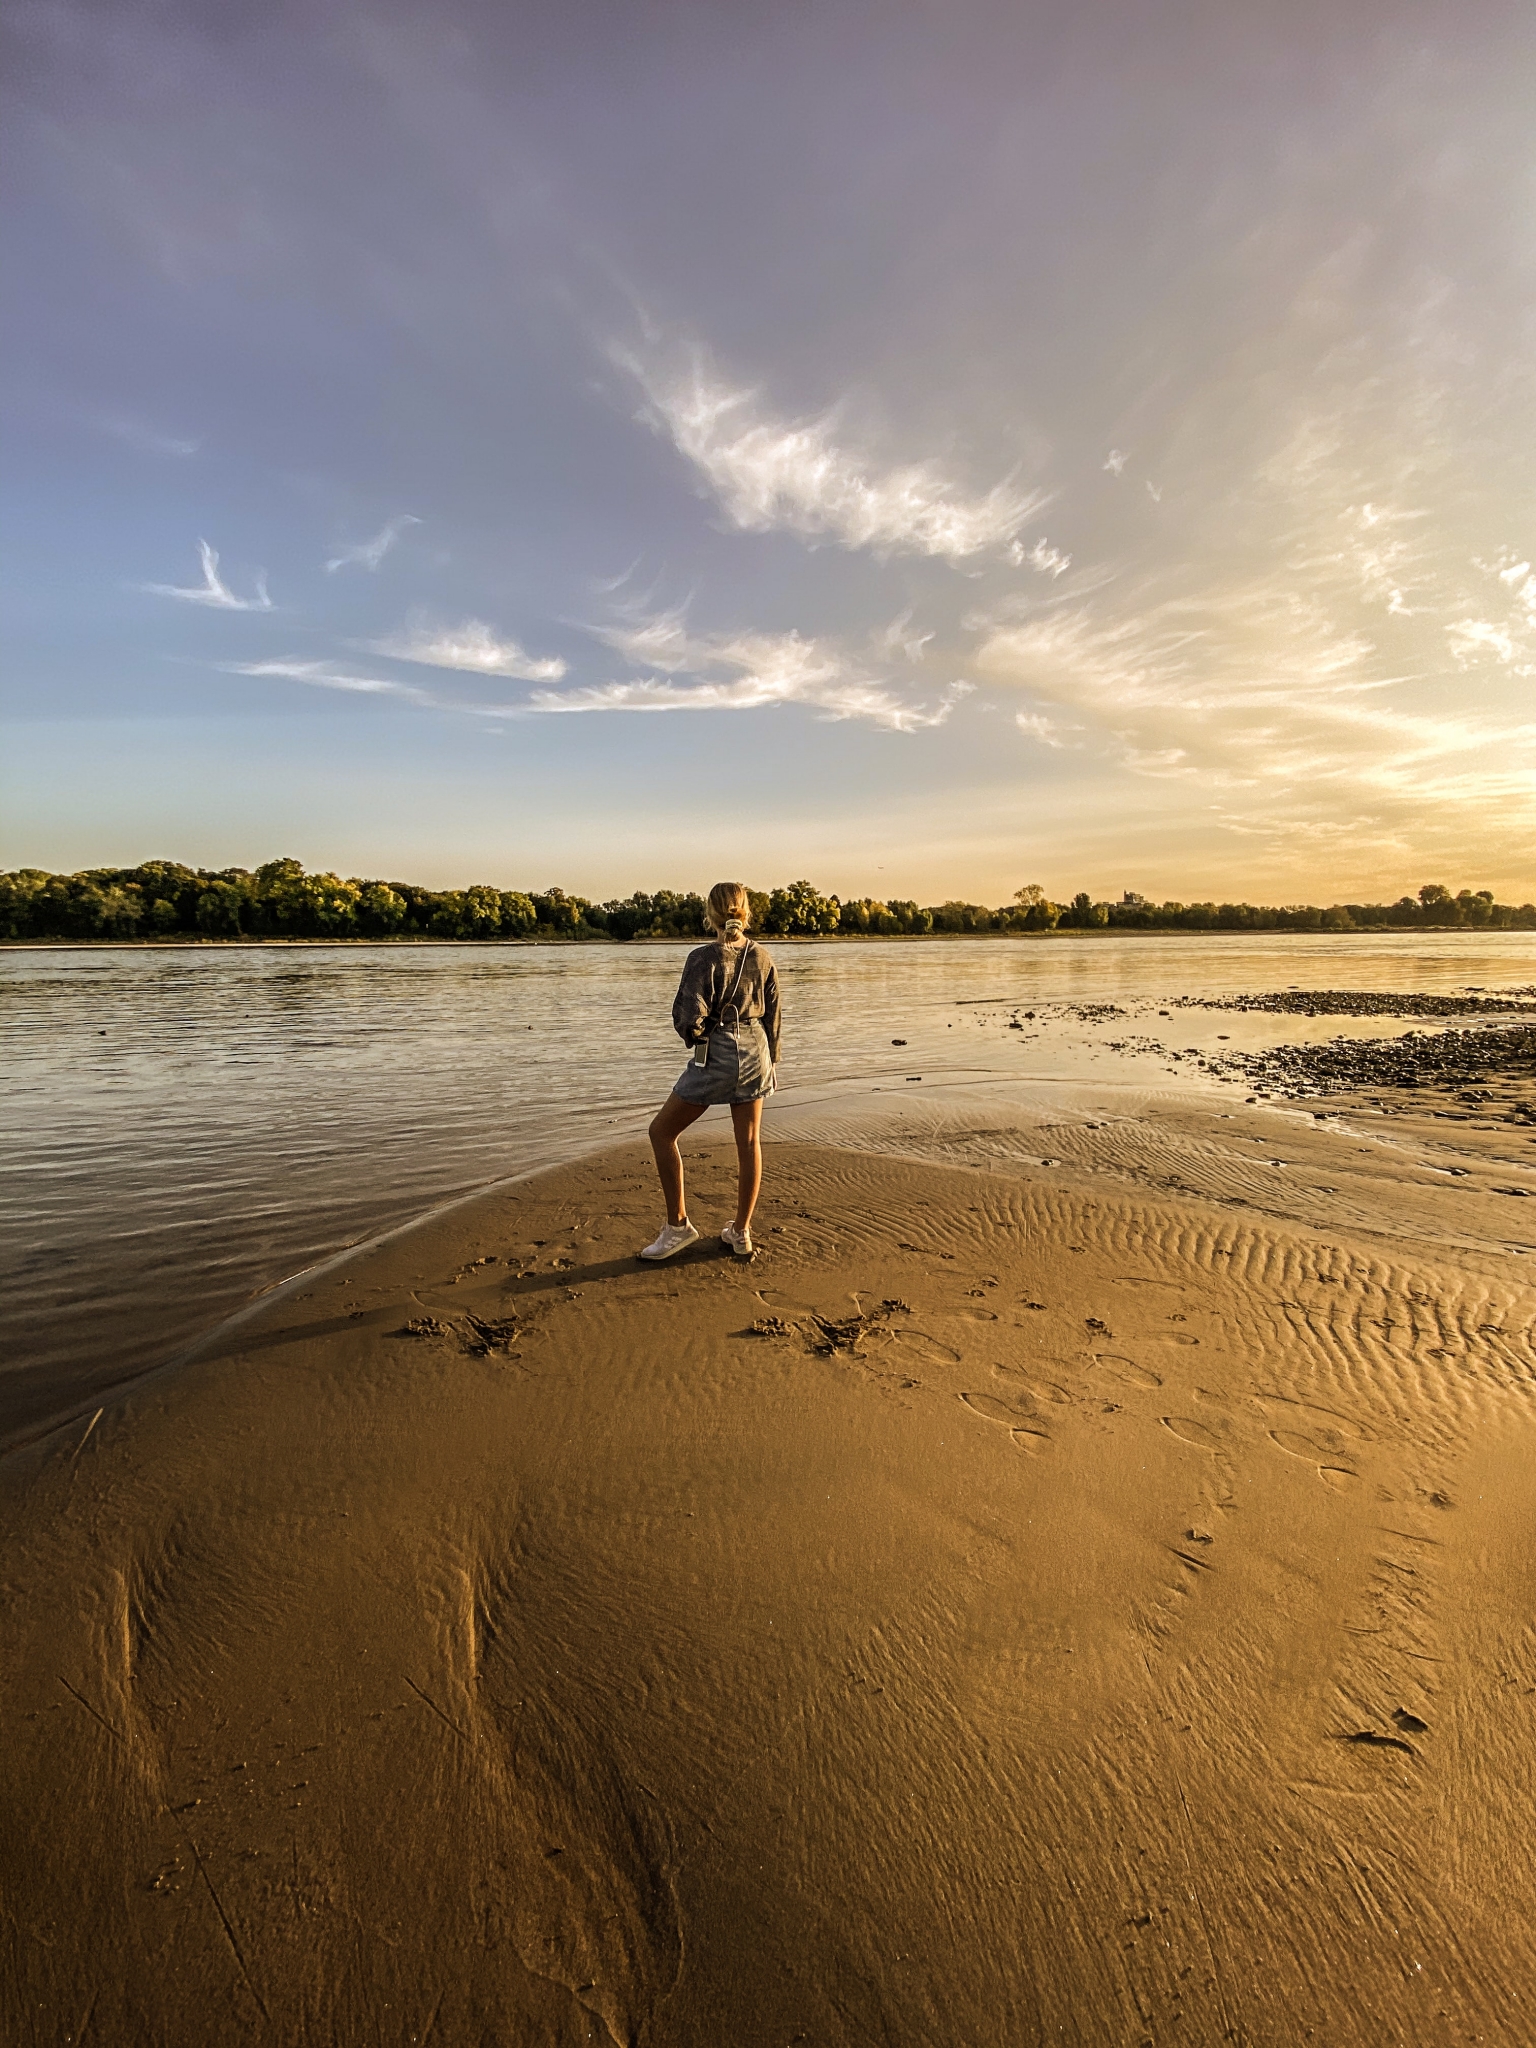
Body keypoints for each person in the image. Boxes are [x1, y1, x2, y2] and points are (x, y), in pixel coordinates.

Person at [639, 881, 781, 1261]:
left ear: (711, 915)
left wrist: (698, 1038)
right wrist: (771, 1060)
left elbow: (689, 1017)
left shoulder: (702, 957)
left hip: (718, 1049)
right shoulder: (763, 957)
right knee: (749, 1143)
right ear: (745, 913)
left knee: (662, 1132)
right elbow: (774, 1017)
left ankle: (678, 1226)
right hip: (756, 1052)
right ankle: (741, 1231)